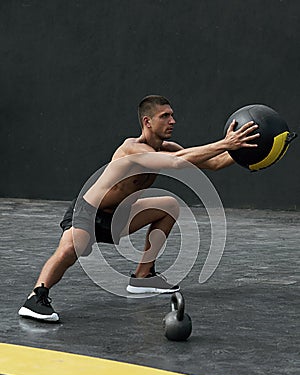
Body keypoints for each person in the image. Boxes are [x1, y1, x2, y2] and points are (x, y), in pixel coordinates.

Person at [18, 95, 259, 322]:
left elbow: (215, 163)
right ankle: (35, 298)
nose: (172, 121)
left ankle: (143, 277)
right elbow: (177, 163)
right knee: (70, 250)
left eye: (172, 115)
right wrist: (226, 143)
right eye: (165, 116)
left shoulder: (168, 148)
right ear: (147, 121)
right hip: (89, 211)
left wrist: (254, 155)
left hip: (119, 217)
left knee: (168, 205)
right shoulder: (131, 148)